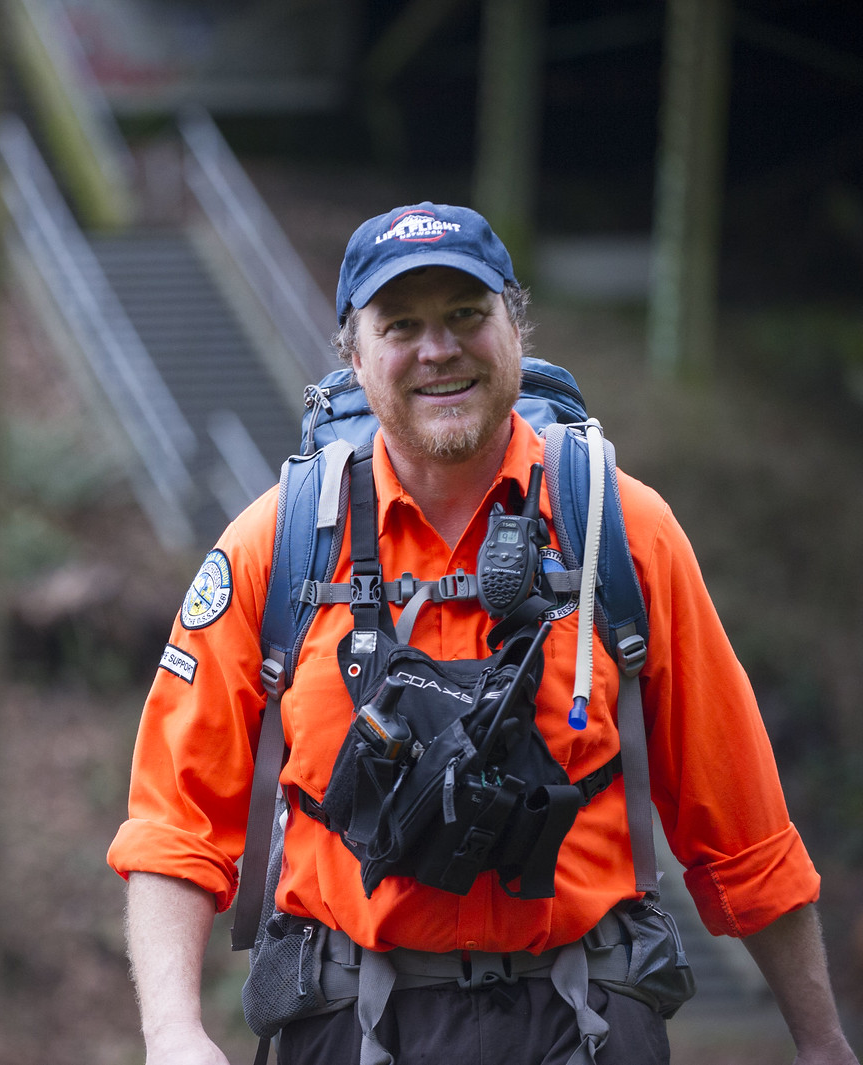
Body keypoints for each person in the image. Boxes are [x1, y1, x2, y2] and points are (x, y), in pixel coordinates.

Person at [107, 204, 858, 1064]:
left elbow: (742, 824)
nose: (439, 349)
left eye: (467, 315)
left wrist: (822, 1039)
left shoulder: (620, 532)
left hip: (583, 1022)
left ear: (516, 326)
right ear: (352, 354)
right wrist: (171, 1029)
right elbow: (175, 819)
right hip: (348, 1025)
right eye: (403, 325)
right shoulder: (276, 548)